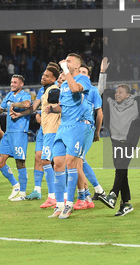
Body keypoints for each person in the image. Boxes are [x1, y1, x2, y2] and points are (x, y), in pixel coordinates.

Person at [98, 57, 140, 216]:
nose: (117, 93)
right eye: (116, 91)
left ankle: (113, 195)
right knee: (121, 171)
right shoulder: (112, 103)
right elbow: (100, 91)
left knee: (120, 168)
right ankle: (125, 204)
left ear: (128, 95)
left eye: (120, 92)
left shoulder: (135, 102)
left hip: (129, 142)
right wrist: (102, 73)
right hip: (115, 142)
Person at [47, 54, 92, 219]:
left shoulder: (82, 79)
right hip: (63, 127)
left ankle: (69, 205)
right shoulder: (64, 83)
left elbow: (75, 89)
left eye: (69, 61)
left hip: (76, 128)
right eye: (65, 60)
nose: (65, 62)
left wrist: (65, 70)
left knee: (71, 163)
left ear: (76, 66)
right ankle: (59, 205)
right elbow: (63, 106)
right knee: (57, 163)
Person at [14, 64, 61, 206]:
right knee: (43, 158)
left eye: (47, 76)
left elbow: (61, 106)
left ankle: (56, 195)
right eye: (43, 74)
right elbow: (33, 108)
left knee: (52, 161)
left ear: (54, 78)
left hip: (52, 130)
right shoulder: (44, 90)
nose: (43, 77)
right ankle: (42, 191)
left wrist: (52, 111)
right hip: (45, 129)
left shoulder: (55, 91)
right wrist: (20, 113)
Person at [0, 74, 32, 201]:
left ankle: (23, 193)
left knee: (20, 162)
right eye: (11, 82)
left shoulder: (25, 95)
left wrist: (14, 105)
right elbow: (1, 110)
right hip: (8, 133)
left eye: (15, 82)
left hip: (19, 132)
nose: (12, 84)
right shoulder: (8, 95)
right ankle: (15, 185)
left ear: (21, 84)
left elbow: (27, 104)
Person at [75, 63, 107, 210]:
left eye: (84, 72)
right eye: (79, 71)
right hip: (73, 129)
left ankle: (84, 196)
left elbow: (99, 112)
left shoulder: (92, 91)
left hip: (85, 128)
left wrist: (97, 132)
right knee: (80, 160)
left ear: (87, 76)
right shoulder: (72, 89)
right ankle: (97, 190)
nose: (81, 74)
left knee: (77, 160)